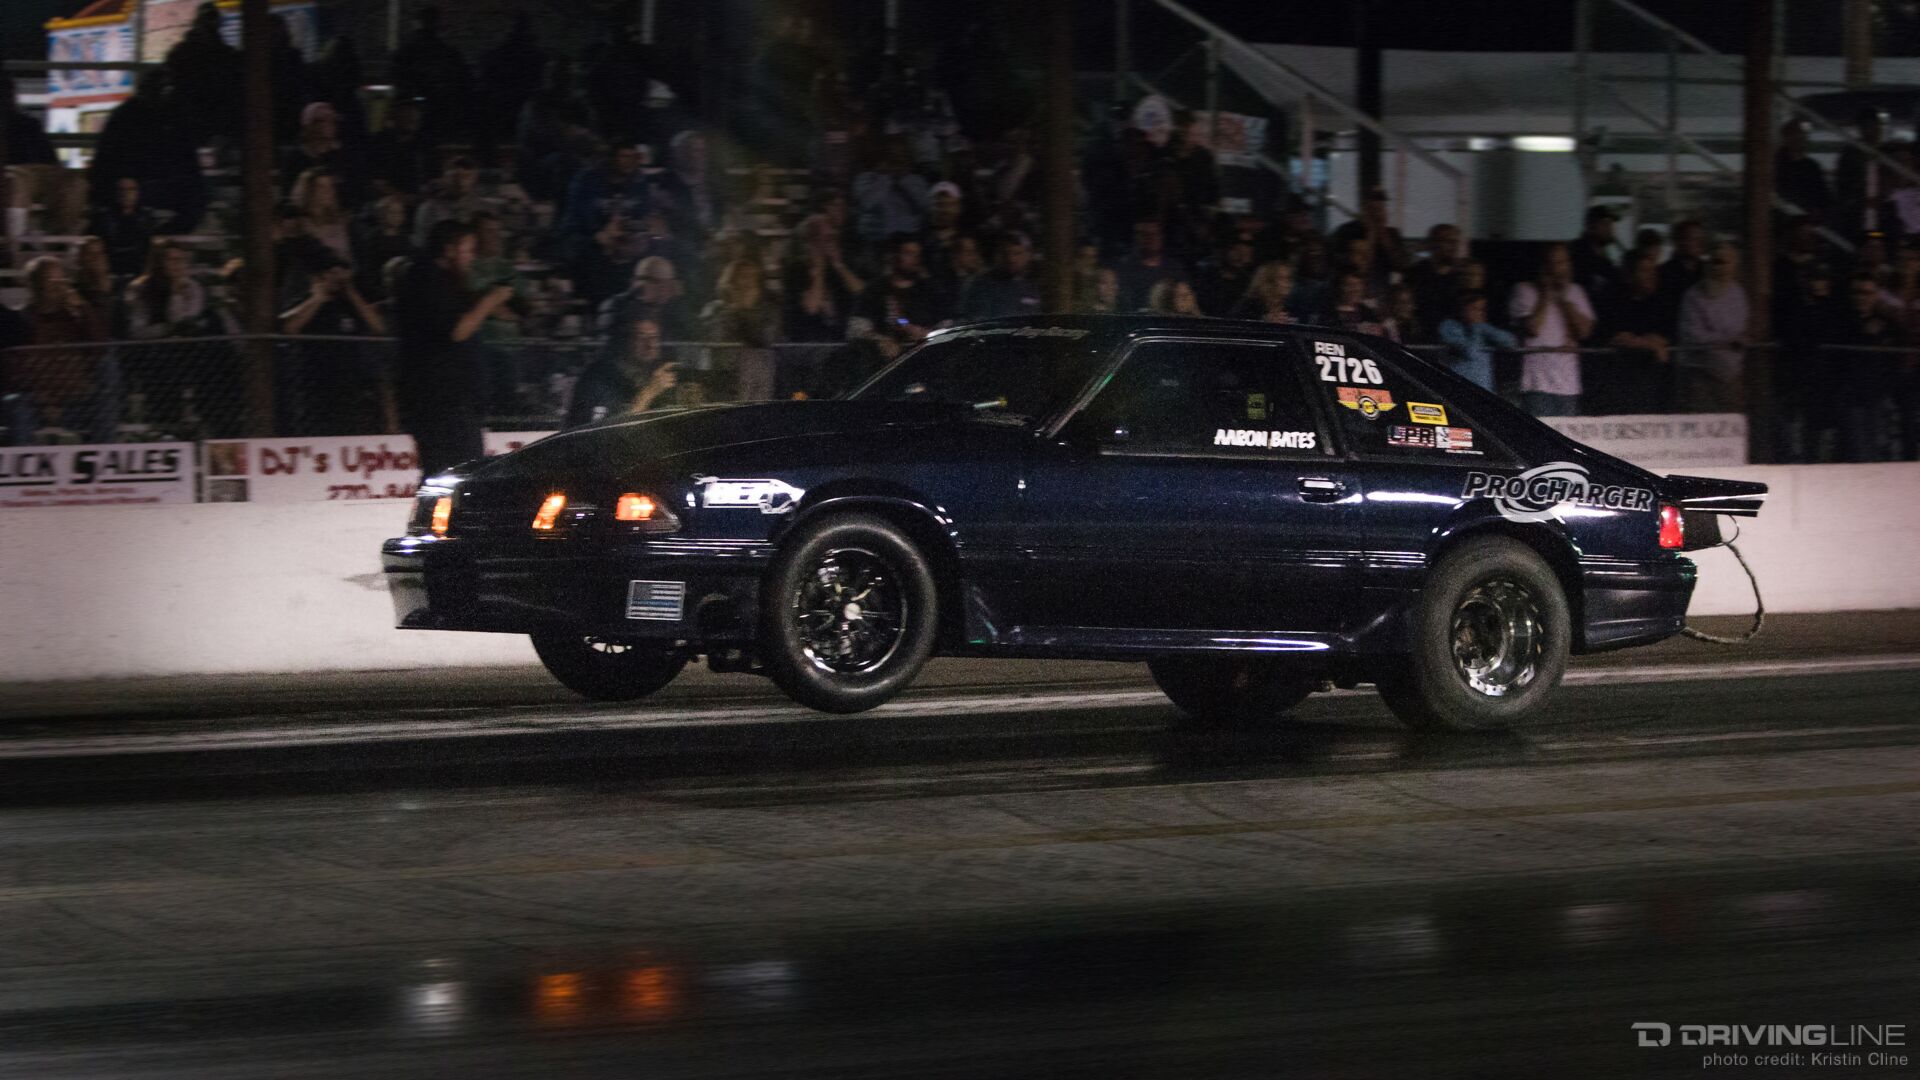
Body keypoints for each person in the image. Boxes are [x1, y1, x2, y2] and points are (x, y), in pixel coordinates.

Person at [394, 220, 517, 477]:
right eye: (467, 249)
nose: (471, 257)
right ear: (449, 249)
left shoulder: (443, 281)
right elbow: (457, 330)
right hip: (442, 403)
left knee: (454, 474)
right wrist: (490, 300)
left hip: (455, 402)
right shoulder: (427, 278)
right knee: (455, 474)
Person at [5, 256, 113, 444]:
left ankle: (104, 455)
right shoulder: (21, 321)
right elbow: (16, 371)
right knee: (17, 404)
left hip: (76, 400)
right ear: (36, 285)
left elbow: (100, 347)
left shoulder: (74, 318)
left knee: (105, 395)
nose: (59, 285)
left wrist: (83, 308)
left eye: (61, 279)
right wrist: (45, 401)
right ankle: (27, 459)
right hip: (36, 402)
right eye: (51, 280)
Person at [279, 257, 394, 435]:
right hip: (314, 383)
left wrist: (351, 291)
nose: (336, 279)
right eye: (331, 274)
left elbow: (378, 327)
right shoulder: (306, 302)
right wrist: (318, 298)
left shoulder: (349, 305)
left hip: (349, 383)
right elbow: (289, 328)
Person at [1508, 243, 1596, 416]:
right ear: (1544, 266)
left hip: (1568, 385)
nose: (1560, 269)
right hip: (1536, 383)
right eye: (1554, 263)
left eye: (1563, 262)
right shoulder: (1523, 290)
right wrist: (1546, 293)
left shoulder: (1576, 291)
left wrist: (1563, 300)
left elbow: (1584, 331)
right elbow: (1533, 328)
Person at [1830, 271, 1904, 460]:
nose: (1862, 297)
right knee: (1858, 449)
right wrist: (1866, 335)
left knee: (1877, 448)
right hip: (1853, 397)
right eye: (1857, 292)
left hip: (1878, 397)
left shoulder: (1886, 324)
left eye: (1867, 293)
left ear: (1877, 294)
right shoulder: (1844, 322)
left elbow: (1895, 357)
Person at [1594, 248, 1676, 414]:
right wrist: (1649, 344)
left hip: (1653, 384)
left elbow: (1664, 336)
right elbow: (1617, 337)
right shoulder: (1613, 299)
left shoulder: (1662, 302)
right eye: (1645, 270)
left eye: (1653, 270)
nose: (1652, 275)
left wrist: (1639, 341)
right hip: (1619, 384)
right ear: (1630, 275)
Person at [1675, 243, 1751, 413]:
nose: (1719, 268)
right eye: (1715, 262)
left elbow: (1739, 328)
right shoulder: (1693, 296)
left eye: (1724, 262)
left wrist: (1728, 340)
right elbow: (1692, 335)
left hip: (1730, 375)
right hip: (1700, 374)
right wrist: (1726, 340)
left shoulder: (1738, 293)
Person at [564, 317, 680, 428]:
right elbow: (607, 431)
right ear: (626, 342)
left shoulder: (658, 374)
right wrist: (649, 392)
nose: (650, 345)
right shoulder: (600, 378)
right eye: (641, 337)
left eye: (654, 337)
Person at [703, 259, 782, 401]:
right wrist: (736, 309)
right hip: (727, 378)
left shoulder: (769, 312)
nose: (748, 284)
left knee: (754, 357)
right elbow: (718, 347)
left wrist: (744, 311)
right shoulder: (717, 310)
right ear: (731, 284)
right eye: (743, 277)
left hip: (762, 377)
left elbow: (766, 341)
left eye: (752, 278)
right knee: (748, 359)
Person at [785, 210, 866, 342]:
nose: (830, 244)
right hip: (808, 343)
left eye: (832, 238)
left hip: (839, 340)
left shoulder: (836, 269)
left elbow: (863, 294)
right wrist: (819, 265)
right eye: (825, 238)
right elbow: (811, 307)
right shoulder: (796, 269)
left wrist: (839, 265)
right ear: (809, 241)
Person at [562, 144, 651, 253]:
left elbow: (642, 215)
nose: (630, 161)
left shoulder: (639, 182)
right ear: (612, 158)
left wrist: (642, 227)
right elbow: (577, 220)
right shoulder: (587, 180)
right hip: (587, 245)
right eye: (625, 156)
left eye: (634, 157)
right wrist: (599, 235)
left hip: (625, 246)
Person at [855, 235, 942, 339]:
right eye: (908, 253)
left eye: (918, 254)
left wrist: (929, 333)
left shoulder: (929, 289)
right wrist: (879, 339)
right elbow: (859, 324)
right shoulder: (877, 289)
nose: (915, 259)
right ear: (895, 256)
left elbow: (944, 323)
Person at [852, 138, 931, 251]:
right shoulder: (866, 178)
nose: (898, 161)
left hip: (908, 241)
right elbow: (865, 204)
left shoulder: (916, 181)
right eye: (892, 157)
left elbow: (924, 206)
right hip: (874, 241)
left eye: (901, 156)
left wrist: (902, 180)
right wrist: (886, 177)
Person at [123, 239, 207, 340]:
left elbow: (184, 323)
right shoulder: (141, 288)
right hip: (153, 345)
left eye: (181, 259)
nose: (177, 264)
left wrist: (176, 293)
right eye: (170, 259)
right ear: (159, 263)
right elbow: (137, 331)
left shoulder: (193, 287)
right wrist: (167, 329)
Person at [1436, 291, 1518, 394]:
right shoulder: (1448, 326)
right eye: (1474, 309)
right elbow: (1470, 353)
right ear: (1463, 309)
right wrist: (1477, 327)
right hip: (1460, 389)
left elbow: (1511, 341)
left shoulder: (1484, 328)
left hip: (1484, 389)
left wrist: (1483, 327)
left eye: (1482, 309)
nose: (1480, 313)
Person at [86, 178, 163, 277]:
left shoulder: (147, 217)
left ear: (137, 193)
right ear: (116, 193)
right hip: (110, 270)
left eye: (131, 189)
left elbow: (151, 246)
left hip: (139, 270)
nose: (126, 194)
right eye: (121, 190)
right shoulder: (102, 218)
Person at [957, 232, 1042, 321]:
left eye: (1017, 253)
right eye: (1006, 253)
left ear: (1028, 255)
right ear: (998, 255)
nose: (1011, 259)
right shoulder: (983, 284)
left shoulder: (1032, 285)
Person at [1111, 220, 1187, 312]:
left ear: (1161, 237)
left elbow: (1187, 298)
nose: (1150, 238)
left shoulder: (1174, 268)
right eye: (1144, 234)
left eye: (1154, 234)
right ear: (1136, 238)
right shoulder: (1124, 267)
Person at [412, 157, 486, 249]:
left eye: (466, 177)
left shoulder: (482, 208)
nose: (461, 182)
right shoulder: (429, 209)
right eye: (455, 177)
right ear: (445, 178)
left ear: (474, 179)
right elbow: (421, 243)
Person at [1404, 222, 1467, 330]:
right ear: (1433, 244)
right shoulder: (1416, 273)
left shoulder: (1462, 277)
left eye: (1455, 242)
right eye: (1447, 241)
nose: (1453, 247)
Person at [353, 195, 416, 300]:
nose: (397, 216)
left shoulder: (405, 237)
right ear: (382, 214)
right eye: (392, 212)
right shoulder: (373, 239)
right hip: (381, 291)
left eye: (400, 212)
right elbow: (368, 271)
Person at [290, 167, 353, 264]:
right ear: (311, 191)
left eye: (330, 186)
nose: (327, 191)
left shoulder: (341, 222)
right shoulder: (303, 225)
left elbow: (349, 256)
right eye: (321, 187)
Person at [1775, 118, 1833, 221]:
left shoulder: (1812, 166)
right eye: (1795, 135)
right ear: (1786, 138)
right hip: (1786, 220)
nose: (1799, 139)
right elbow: (1781, 195)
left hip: (1809, 221)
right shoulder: (1777, 165)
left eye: (1802, 135)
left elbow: (1824, 198)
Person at [1569, 205, 1624, 306]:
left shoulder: (1606, 260)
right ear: (1591, 227)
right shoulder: (1577, 254)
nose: (1610, 229)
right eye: (1605, 224)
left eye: (1611, 224)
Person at [1229, 261, 1296, 323]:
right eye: (1282, 278)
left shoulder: (1290, 308)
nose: (1288, 283)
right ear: (1268, 282)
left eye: (1289, 278)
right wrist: (1264, 321)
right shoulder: (1249, 306)